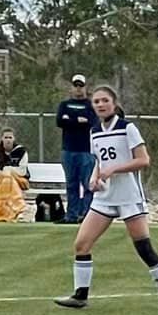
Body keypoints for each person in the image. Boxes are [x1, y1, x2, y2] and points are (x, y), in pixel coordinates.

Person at [53, 86, 158, 310]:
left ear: (114, 103)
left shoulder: (127, 128)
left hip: (129, 197)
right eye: (96, 101)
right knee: (81, 244)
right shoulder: (95, 131)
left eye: (104, 100)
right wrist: (94, 178)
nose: (100, 104)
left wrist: (114, 170)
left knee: (144, 248)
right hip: (105, 198)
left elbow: (143, 160)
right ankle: (80, 296)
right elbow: (99, 162)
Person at [55, 74, 95, 224]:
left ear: (85, 88)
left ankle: (86, 215)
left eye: (81, 86)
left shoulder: (90, 105)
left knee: (87, 185)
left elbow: (91, 121)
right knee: (71, 184)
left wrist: (70, 120)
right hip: (69, 149)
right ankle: (71, 215)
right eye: (76, 86)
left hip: (86, 150)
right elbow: (60, 121)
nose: (78, 89)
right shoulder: (64, 105)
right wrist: (77, 121)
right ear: (71, 87)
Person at [0, 127, 30, 223]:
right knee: (7, 180)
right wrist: (6, 174)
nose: (8, 140)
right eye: (6, 137)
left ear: (14, 139)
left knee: (8, 178)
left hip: (21, 181)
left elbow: (22, 171)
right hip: (2, 181)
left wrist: (9, 170)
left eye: (10, 138)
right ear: (2, 139)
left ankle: (9, 211)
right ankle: (20, 210)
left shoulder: (21, 151)